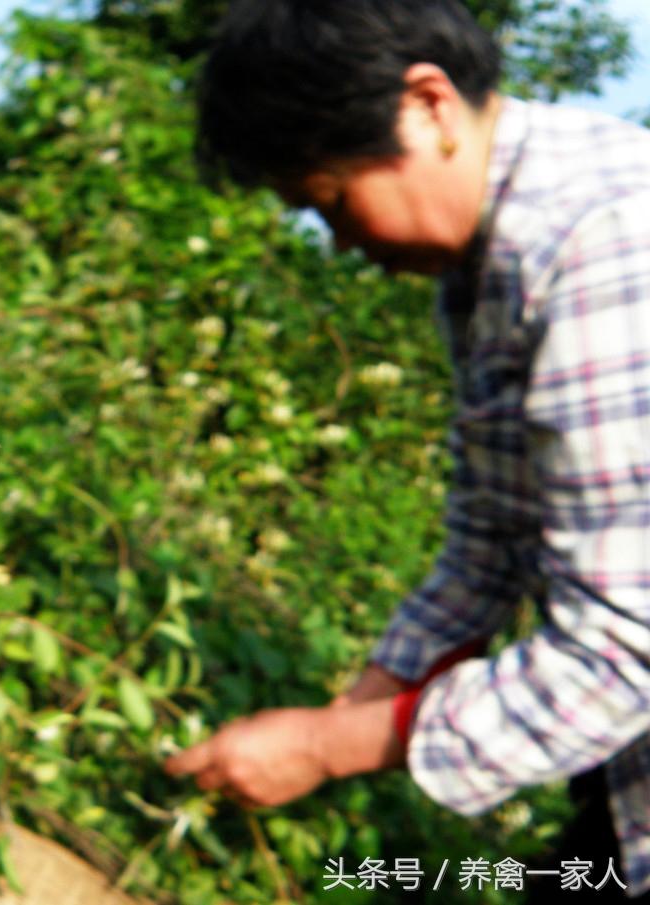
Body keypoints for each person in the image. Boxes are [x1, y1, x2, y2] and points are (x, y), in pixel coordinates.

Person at [162, 0, 650, 900]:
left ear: (427, 105)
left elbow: (625, 648)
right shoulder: (487, 267)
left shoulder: (605, 242)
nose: (341, 243)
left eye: (331, 202)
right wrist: (352, 709)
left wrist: (323, 746)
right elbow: (491, 535)